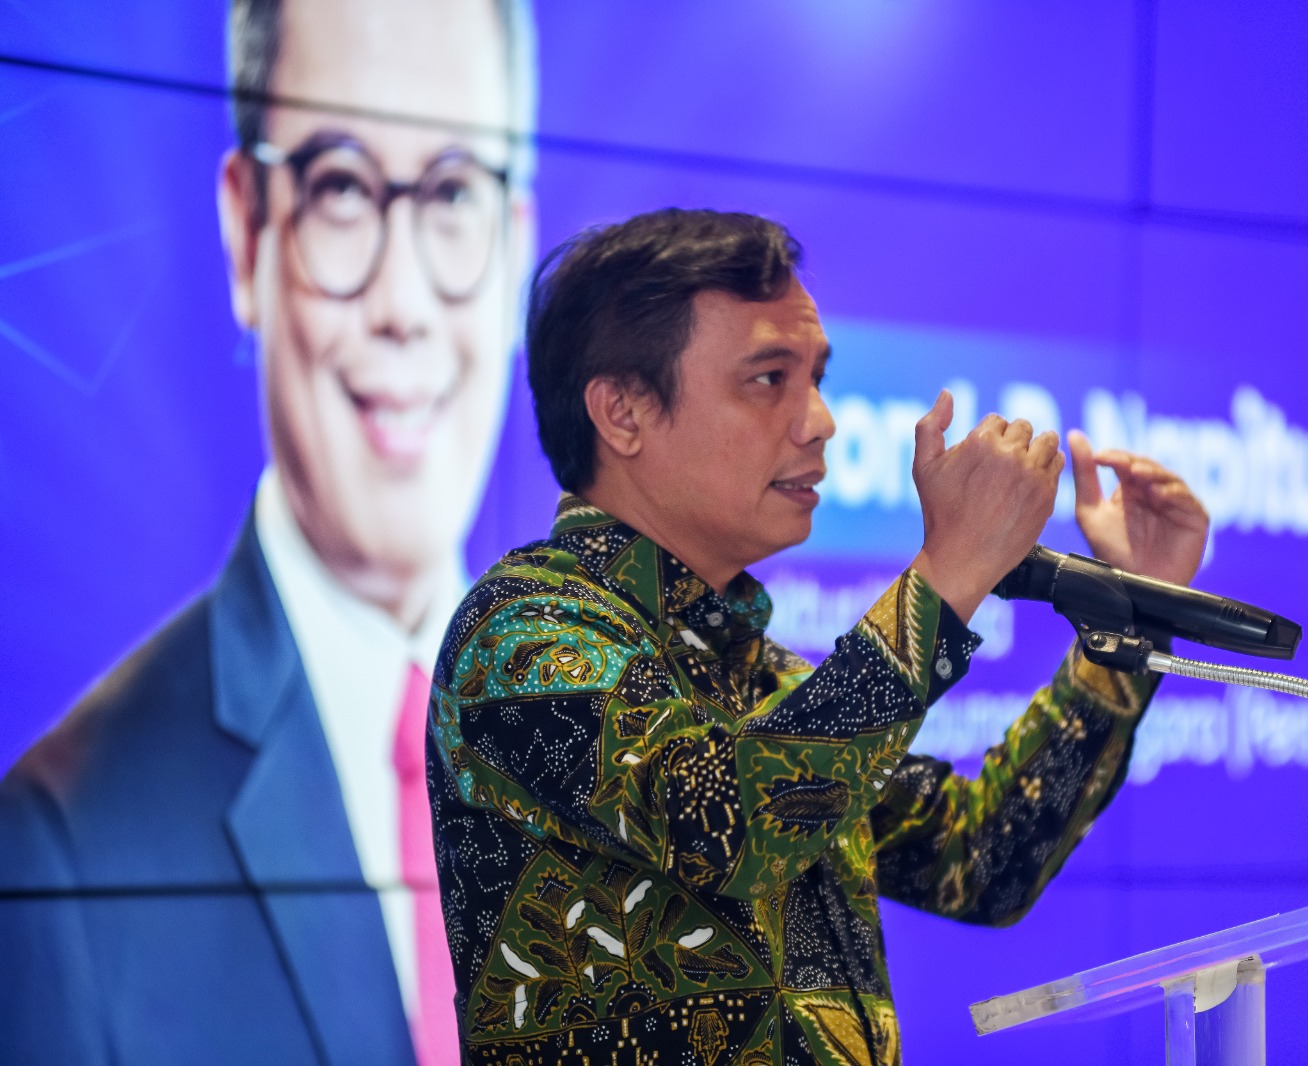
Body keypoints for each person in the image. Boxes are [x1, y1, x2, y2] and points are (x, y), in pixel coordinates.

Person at [427, 209, 1208, 1064]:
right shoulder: (522, 632)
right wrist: (947, 575)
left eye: (817, 379)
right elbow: (725, 820)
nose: (821, 421)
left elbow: (982, 858)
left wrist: (1130, 617)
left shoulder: (767, 681)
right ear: (623, 413)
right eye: (769, 378)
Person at [0, 1, 533, 1062]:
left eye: (452, 193)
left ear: (515, 247)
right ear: (247, 234)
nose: (403, 299)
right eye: (341, 188)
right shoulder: (60, 859)